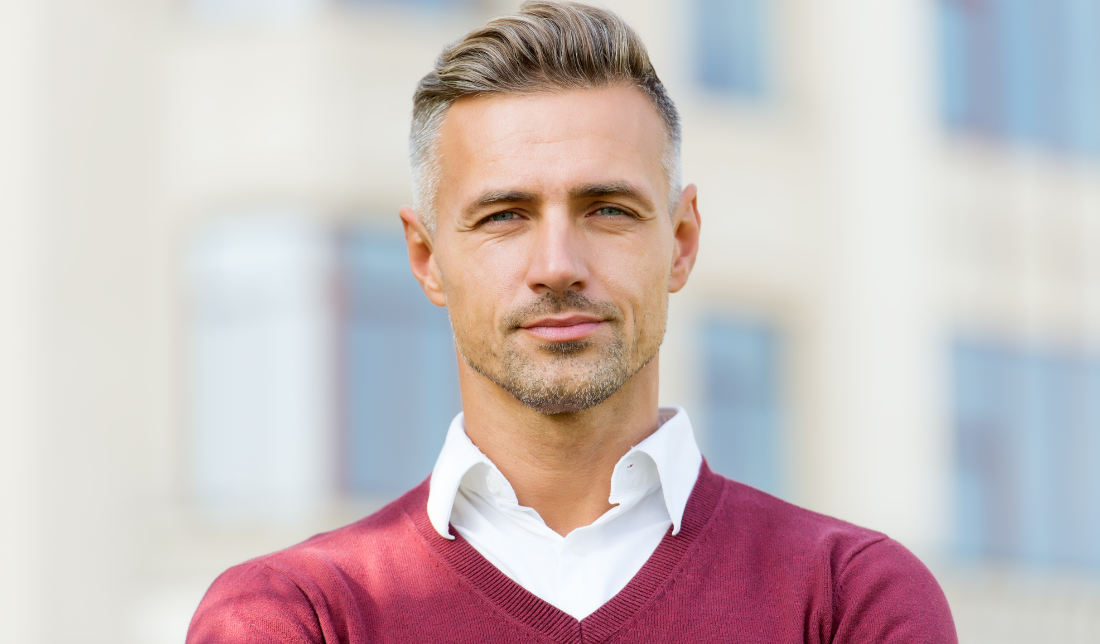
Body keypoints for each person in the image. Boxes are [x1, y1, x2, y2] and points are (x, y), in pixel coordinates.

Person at [186, 2, 957, 642]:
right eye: (505, 215)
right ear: (425, 257)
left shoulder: (848, 597)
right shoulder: (295, 615)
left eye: (609, 210)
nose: (558, 263)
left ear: (682, 243)